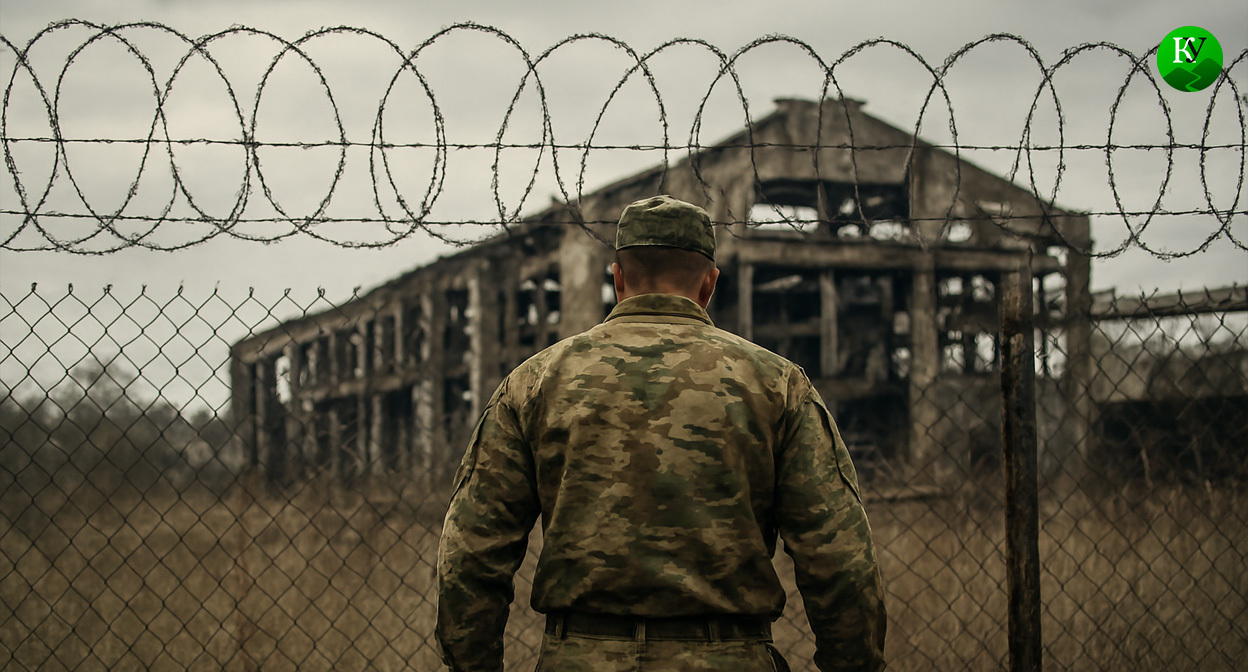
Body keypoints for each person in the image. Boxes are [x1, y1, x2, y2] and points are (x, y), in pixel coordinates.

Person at [437, 195, 886, 672]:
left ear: (617, 279)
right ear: (709, 285)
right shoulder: (776, 384)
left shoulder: (536, 382)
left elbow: (471, 551)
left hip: (581, 657)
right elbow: (840, 559)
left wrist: (473, 665)